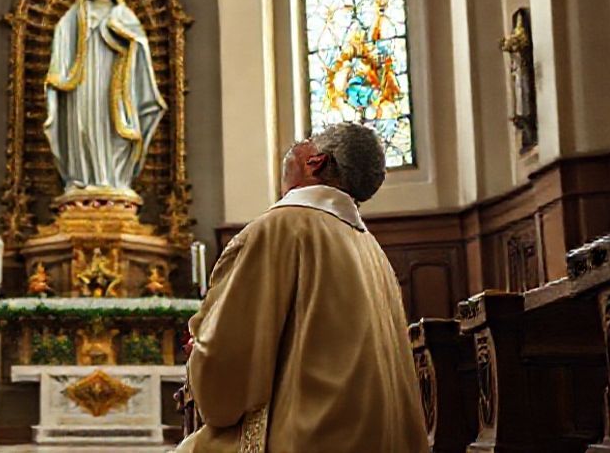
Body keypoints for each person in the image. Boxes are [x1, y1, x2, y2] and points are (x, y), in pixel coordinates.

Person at [176, 122, 428, 452]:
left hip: (307, 438)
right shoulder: (371, 248)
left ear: (316, 161)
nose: (296, 146)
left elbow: (227, 366)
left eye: (306, 142)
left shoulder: (282, 227)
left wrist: (203, 355)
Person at [44, 0, 167, 193]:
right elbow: (61, 40)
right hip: (81, 82)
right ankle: (82, 179)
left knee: (113, 130)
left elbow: (139, 44)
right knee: (83, 126)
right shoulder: (76, 14)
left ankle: (113, 180)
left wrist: (120, 35)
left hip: (114, 82)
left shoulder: (122, 14)